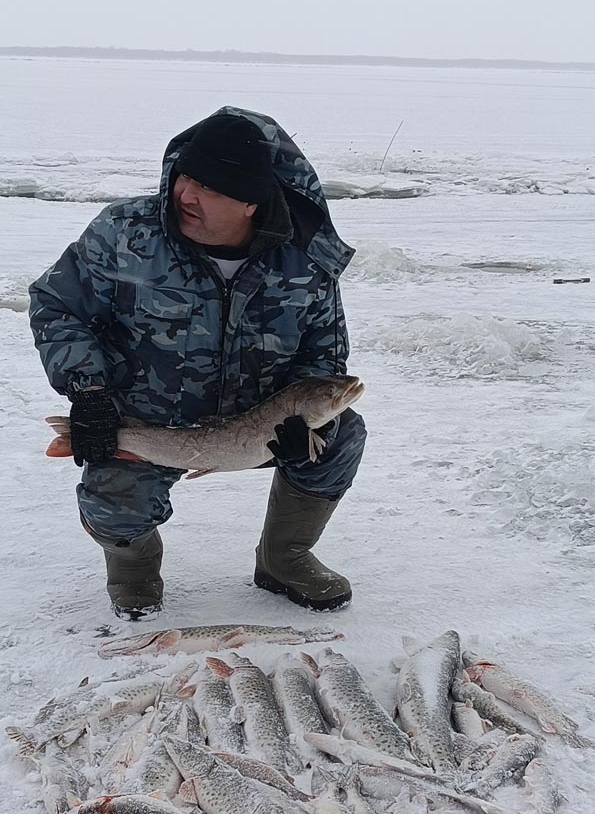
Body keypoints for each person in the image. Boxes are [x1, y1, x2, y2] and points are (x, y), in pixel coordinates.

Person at [30, 107, 365, 620]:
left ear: (252, 202)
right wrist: (88, 392)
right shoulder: (125, 234)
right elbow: (58, 306)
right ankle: (134, 572)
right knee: (114, 497)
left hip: (257, 421)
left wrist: (300, 420)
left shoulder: (306, 257)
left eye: (208, 186)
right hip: (147, 420)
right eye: (185, 175)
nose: (185, 194)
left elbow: (322, 354)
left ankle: (284, 559)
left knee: (340, 433)